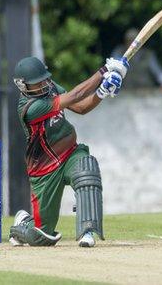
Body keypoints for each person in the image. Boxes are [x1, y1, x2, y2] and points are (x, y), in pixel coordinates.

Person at [8, 56, 128, 248]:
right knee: (42, 237)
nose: (43, 84)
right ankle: (22, 226)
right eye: (36, 83)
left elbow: (80, 107)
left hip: (69, 153)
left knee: (86, 170)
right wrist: (104, 71)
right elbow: (73, 96)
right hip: (44, 170)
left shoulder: (49, 86)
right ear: (23, 86)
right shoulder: (30, 107)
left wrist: (102, 92)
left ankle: (87, 231)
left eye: (44, 79)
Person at [111, 28, 162, 93]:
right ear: (125, 41)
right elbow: (113, 69)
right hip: (126, 92)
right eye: (129, 41)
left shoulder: (148, 55)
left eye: (135, 41)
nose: (132, 44)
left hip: (146, 92)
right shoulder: (119, 52)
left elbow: (158, 71)